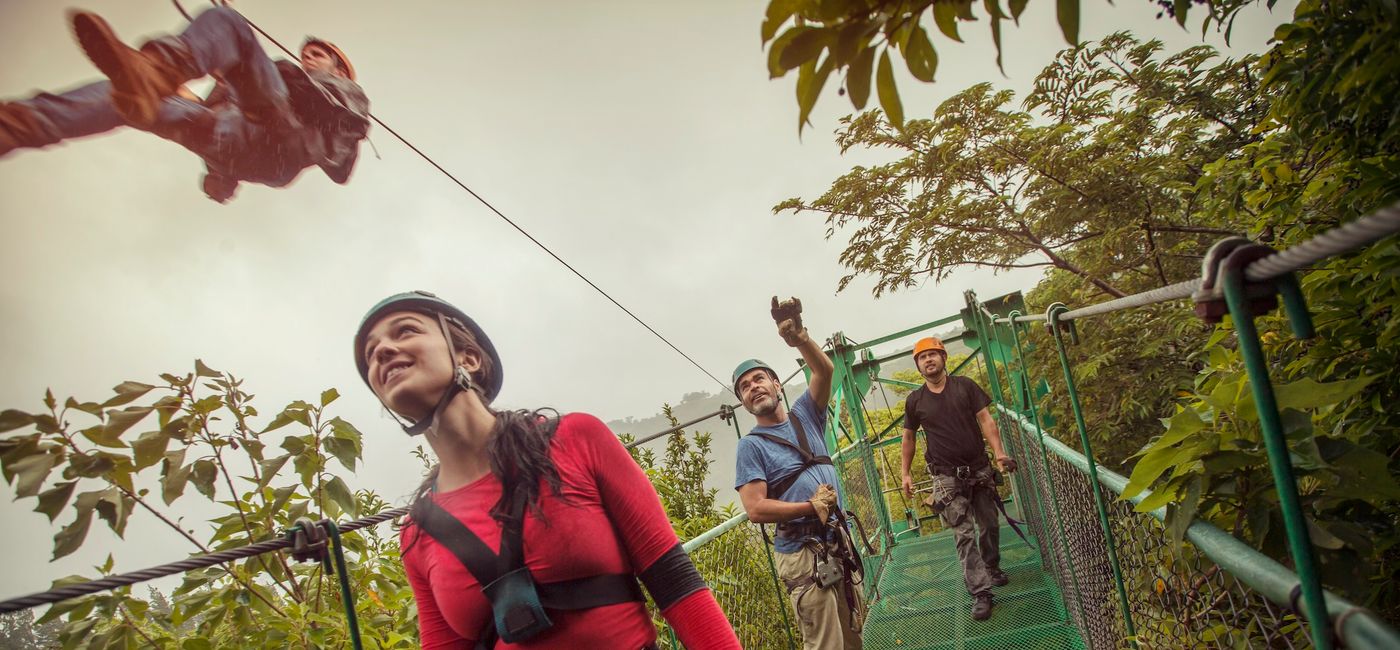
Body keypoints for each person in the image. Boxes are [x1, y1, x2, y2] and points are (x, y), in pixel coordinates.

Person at [353, 291, 739, 649]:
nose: (383, 351)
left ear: (468, 358)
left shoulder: (575, 440)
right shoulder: (418, 533)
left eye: (405, 331)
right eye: (370, 354)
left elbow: (673, 581)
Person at [0, 6, 370, 203]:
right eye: (306, 53)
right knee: (130, 97)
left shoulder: (347, 94)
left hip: (284, 139)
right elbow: (224, 126)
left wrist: (242, 62)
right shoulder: (282, 80)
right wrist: (221, 176)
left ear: (340, 69)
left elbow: (323, 128)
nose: (308, 57)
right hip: (238, 139)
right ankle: (15, 125)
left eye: (318, 55)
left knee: (228, 23)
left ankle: (159, 68)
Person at [733, 297, 864, 650]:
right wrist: (811, 506)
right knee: (825, 644)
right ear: (744, 403)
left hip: (839, 538)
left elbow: (824, 372)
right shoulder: (751, 446)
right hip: (803, 555)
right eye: (744, 387)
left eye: (759, 379)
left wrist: (799, 339)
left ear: (777, 385)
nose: (753, 388)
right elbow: (756, 509)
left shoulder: (805, 414)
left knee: (853, 634)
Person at [898, 337, 1017, 621]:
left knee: (989, 524)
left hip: (979, 469)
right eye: (922, 357)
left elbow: (986, 420)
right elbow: (909, 437)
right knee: (964, 535)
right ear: (917, 365)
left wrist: (999, 453)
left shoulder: (965, 386)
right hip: (945, 477)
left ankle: (991, 565)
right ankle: (980, 592)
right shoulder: (915, 401)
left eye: (933, 355)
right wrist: (904, 473)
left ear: (943, 358)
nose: (928, 360)